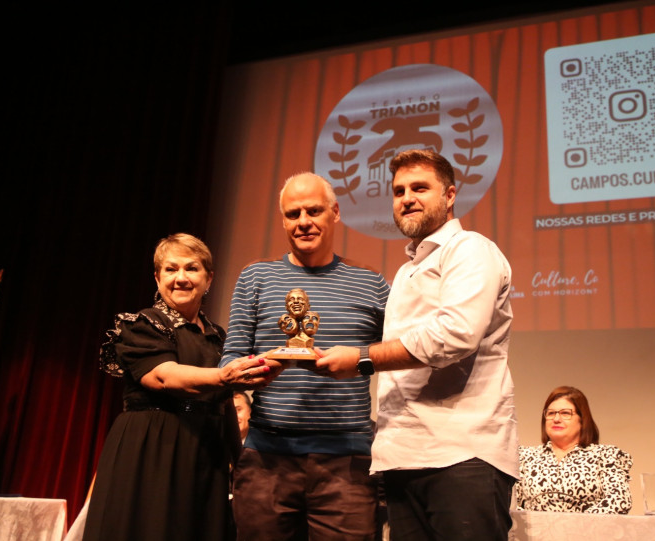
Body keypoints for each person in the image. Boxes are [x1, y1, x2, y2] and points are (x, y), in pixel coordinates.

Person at [316, 149, 519, 540]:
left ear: (450, 195)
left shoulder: (471, 249)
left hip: (463, 453)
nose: (406, 197)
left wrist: (361, 359)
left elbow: (455, 334)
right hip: (403, 455)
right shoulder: (408, 270)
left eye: (420, 188)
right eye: (398, 191)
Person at [220, 172, 390, 540]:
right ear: (282, 220)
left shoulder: (371, 282)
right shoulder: (255, 277)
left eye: (313, 211)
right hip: (266, 457)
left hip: (347, 462)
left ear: (335, 212)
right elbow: (231, 356)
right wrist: (252, 371)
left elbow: (394, 355)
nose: (303, 222)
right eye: (293, 214)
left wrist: (357, 357)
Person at [83, 233, 277, 541]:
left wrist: (241, 465)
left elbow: (224, 403)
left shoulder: (217, 336)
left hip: (205, 455)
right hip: (150, 450)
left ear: (209, 278)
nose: (181, 278)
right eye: (171, 269)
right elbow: (163, 376)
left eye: (191, 268)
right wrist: (222, 377)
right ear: (157, 278)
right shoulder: (141, 325)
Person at [514, 386, 633, 514]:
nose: (556, 419)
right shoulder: (524, 457)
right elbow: (510, 505)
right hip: (535, 532)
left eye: (565, 413)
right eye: (551, 413)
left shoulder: (606, 456)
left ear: (582, 419)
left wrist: (573, 525)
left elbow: (619, 500)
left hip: (589, 532)